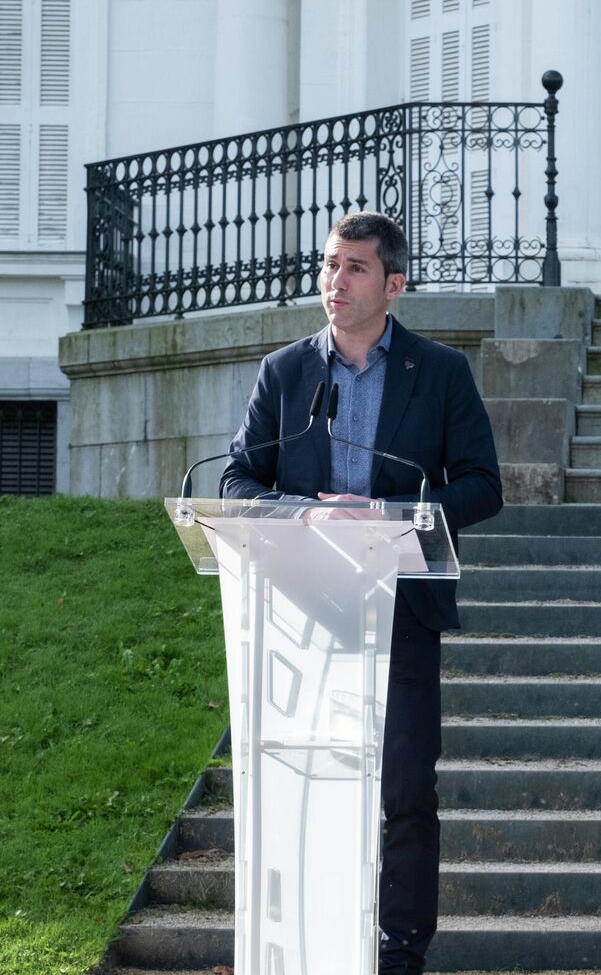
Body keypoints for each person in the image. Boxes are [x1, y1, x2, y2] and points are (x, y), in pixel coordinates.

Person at [220, 211, 503, 975]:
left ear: (394, 285)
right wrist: (304, 513)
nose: (334, 282)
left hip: (401, 605)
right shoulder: (286, 372)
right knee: (307, 784)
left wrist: (390, 517)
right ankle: (309, 938)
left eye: (353, 269)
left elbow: (484, 485)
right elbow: (238, 478)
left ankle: (399, 950)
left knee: (405, 790)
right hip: (304, 610)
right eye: (329, 265)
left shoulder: (440, 373)